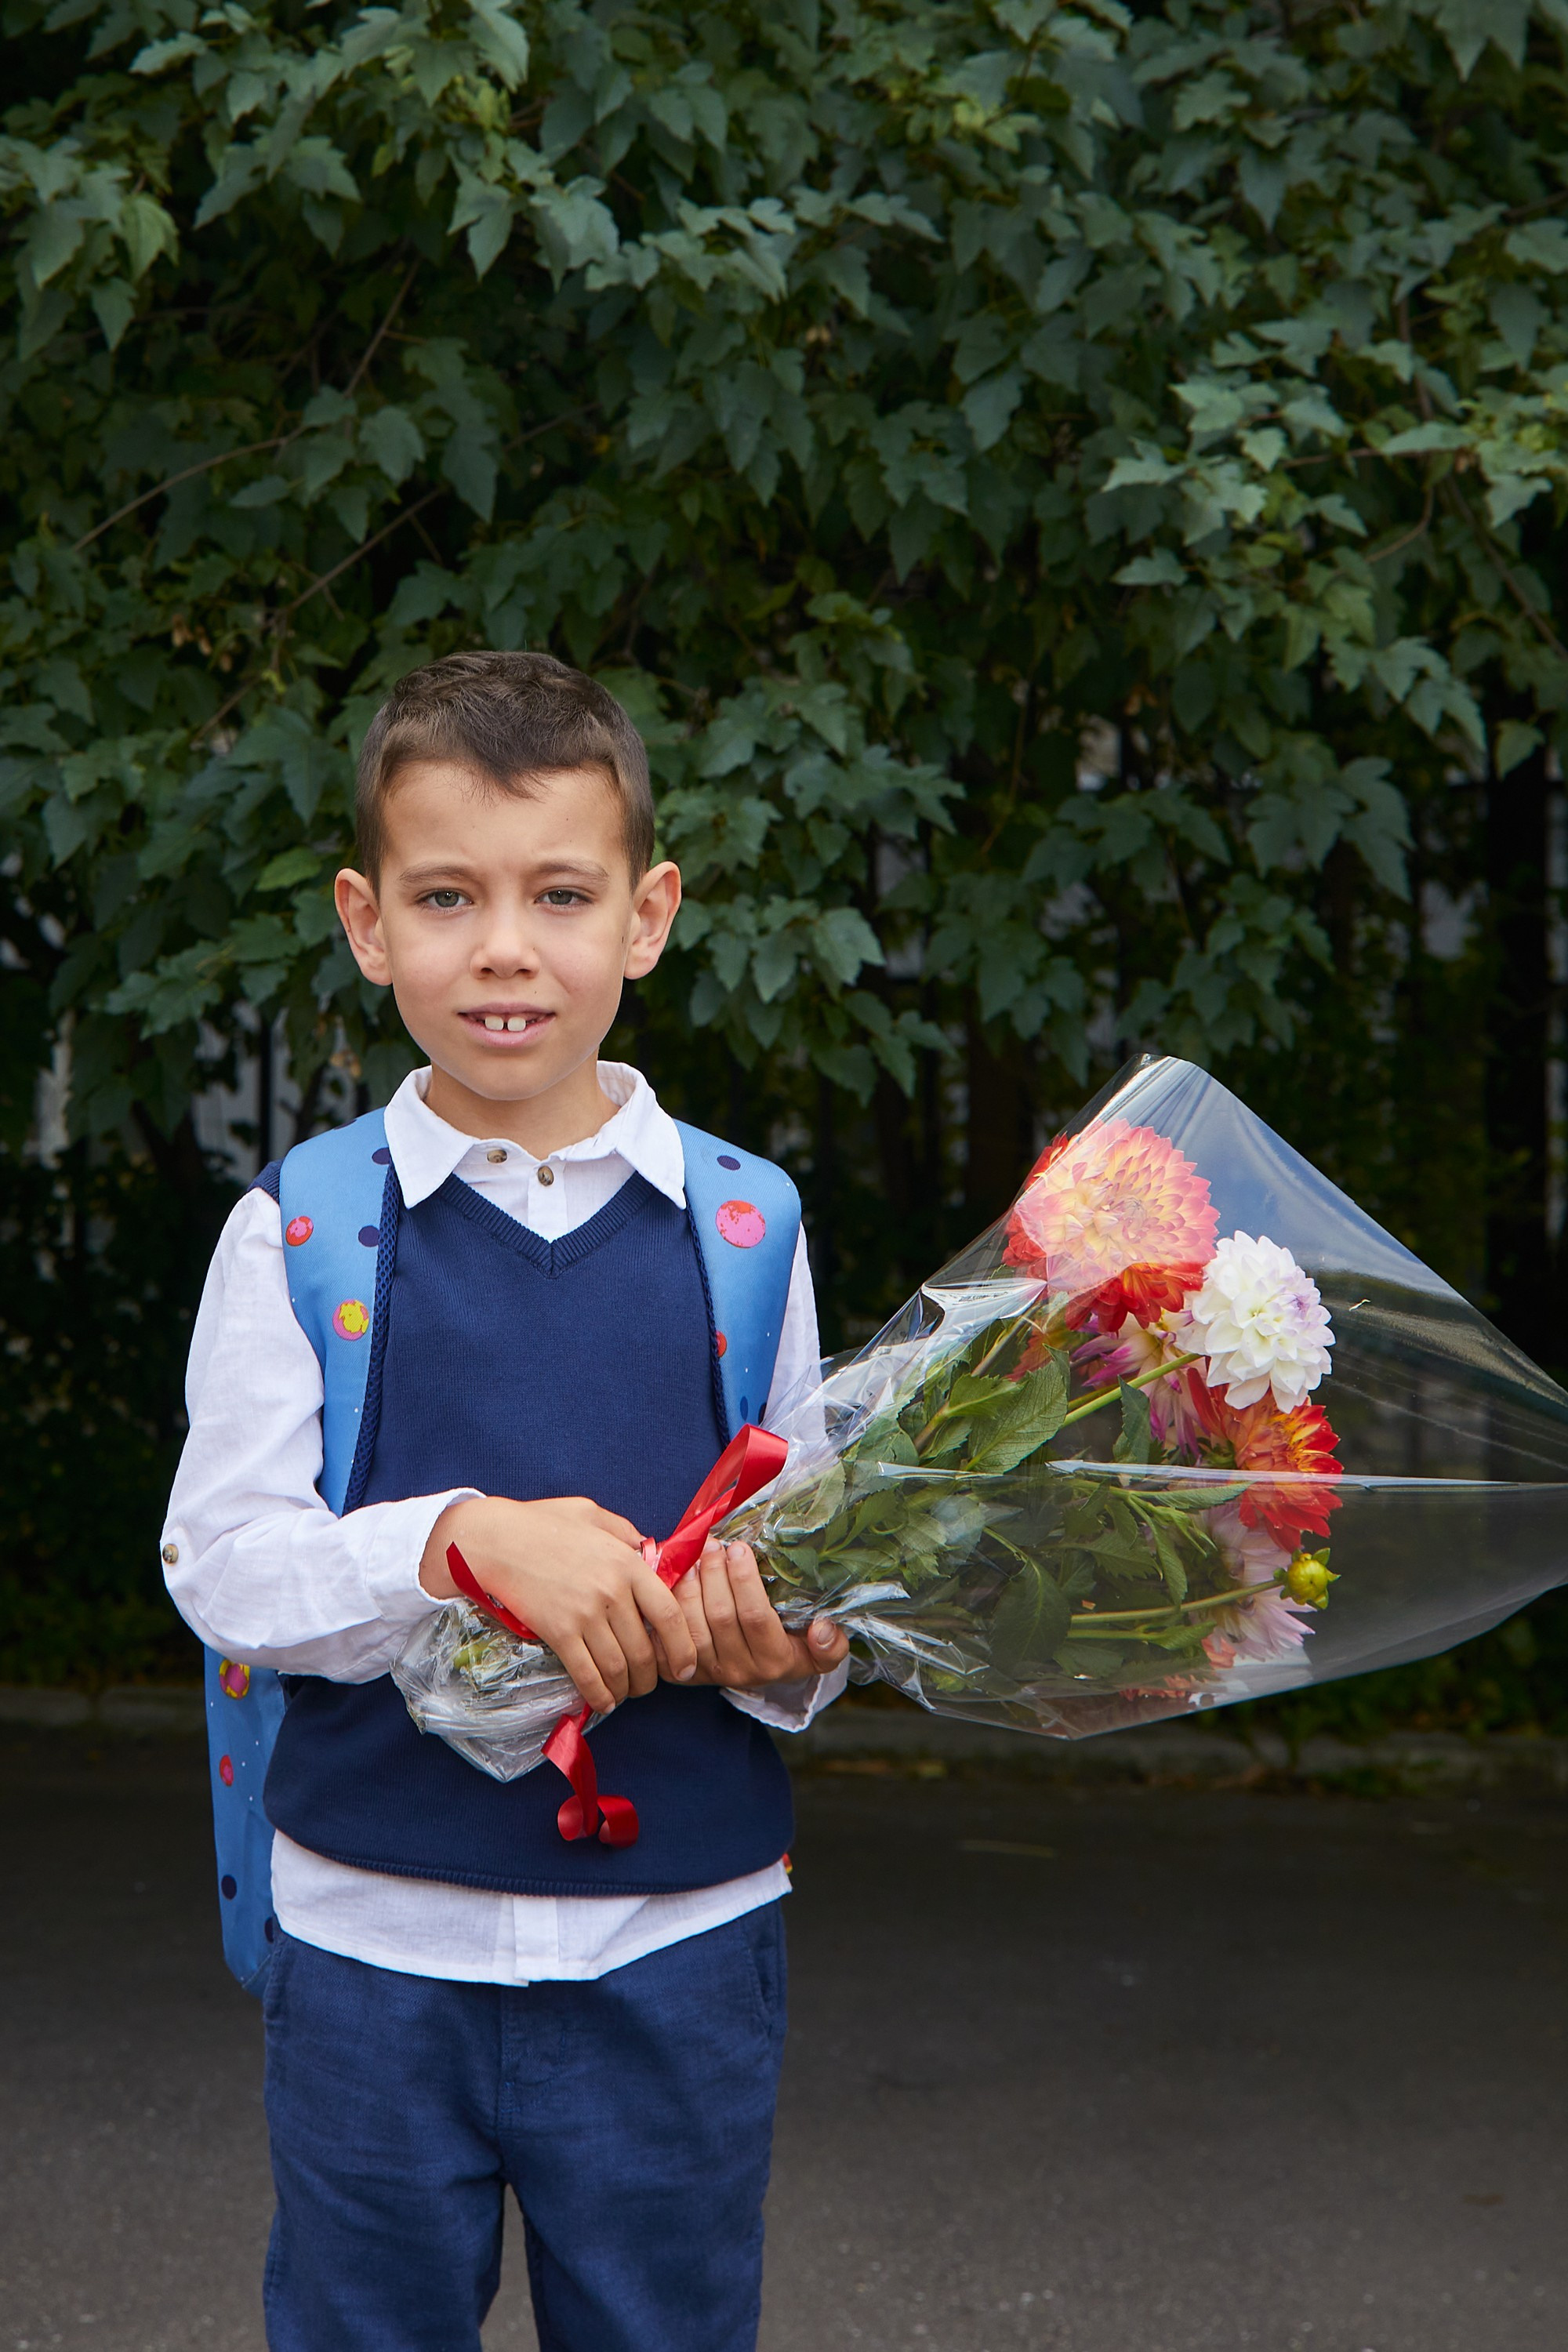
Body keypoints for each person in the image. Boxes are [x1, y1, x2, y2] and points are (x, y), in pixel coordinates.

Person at [162, 650, 851, 2352]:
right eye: (446, 895)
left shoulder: (746, 1231)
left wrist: (781, 1637)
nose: (503, 949)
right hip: (373, 1950)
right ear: (364, 918)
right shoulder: (303, 1229)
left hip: (680, 1943)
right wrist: (461, 1540)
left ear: (647, 913)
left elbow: (825, 1593)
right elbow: (225, 1565)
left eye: (559, 893)